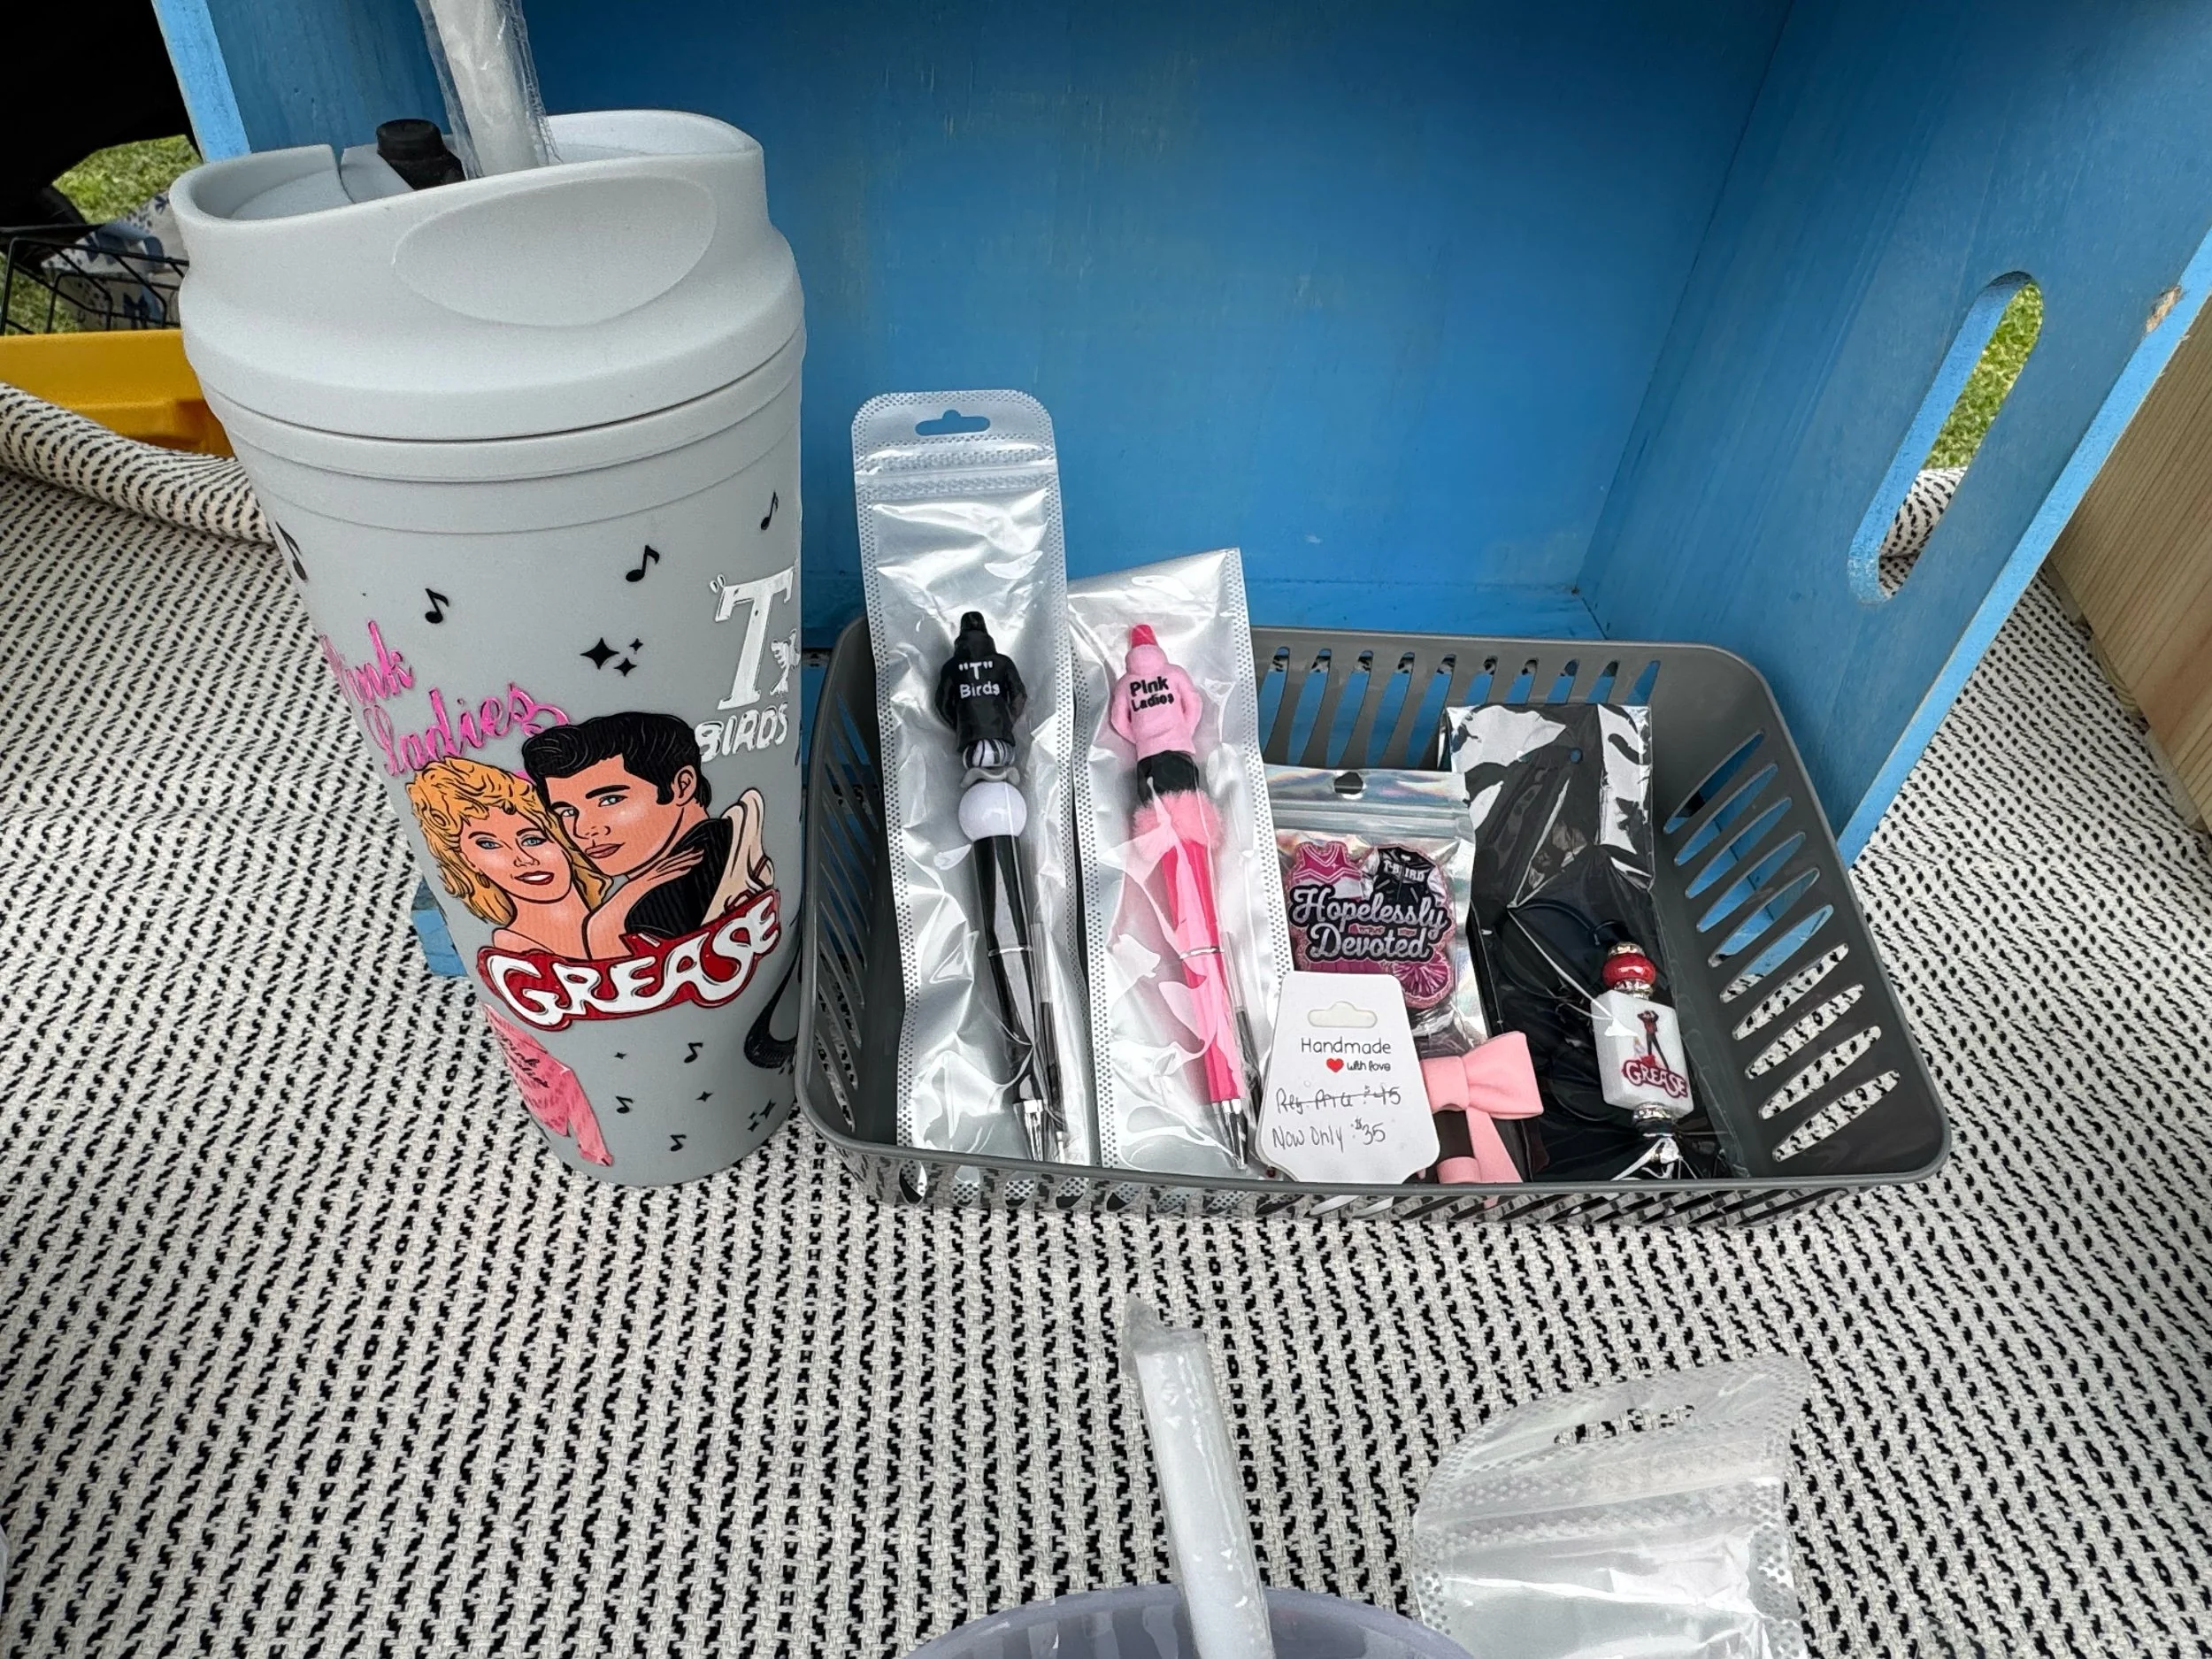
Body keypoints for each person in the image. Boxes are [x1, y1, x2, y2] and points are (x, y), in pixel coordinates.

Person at [522, 711, 772, 958]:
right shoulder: (724, 840)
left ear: (682, 786)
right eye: (567, 811)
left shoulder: (657, 908)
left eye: (610, 800)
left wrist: (606, 924)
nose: (583, 830)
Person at [407, 757, 608, 959]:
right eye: (490, 845)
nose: (523, 859)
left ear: (561, 840)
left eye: (532, 840)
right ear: (467, 860)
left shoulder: (619, 911)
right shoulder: (511, 954)